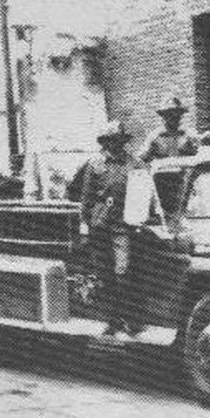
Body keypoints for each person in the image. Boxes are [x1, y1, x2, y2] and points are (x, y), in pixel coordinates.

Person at [78, 120, 141, 336]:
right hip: (100, 224)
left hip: (123, 225)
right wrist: (84, 227)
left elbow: (142, 190)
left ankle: (130, 319)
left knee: (123, 273)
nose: (115, 145)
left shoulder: (133, 163)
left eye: (119, 141)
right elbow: (86, 197)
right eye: (111, 141)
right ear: (105, 142)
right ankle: (113, 321)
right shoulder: (95, 164)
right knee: (105, 276)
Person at [140, 95, 203, 162]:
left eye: (177, 114)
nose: (174, 117)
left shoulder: (189, 135)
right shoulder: (155, 136)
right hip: (163, 171)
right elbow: (143, 157)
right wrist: (149, 153)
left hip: (184, 169)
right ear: (164, 116)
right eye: (170, 114)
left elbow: (200, 156)